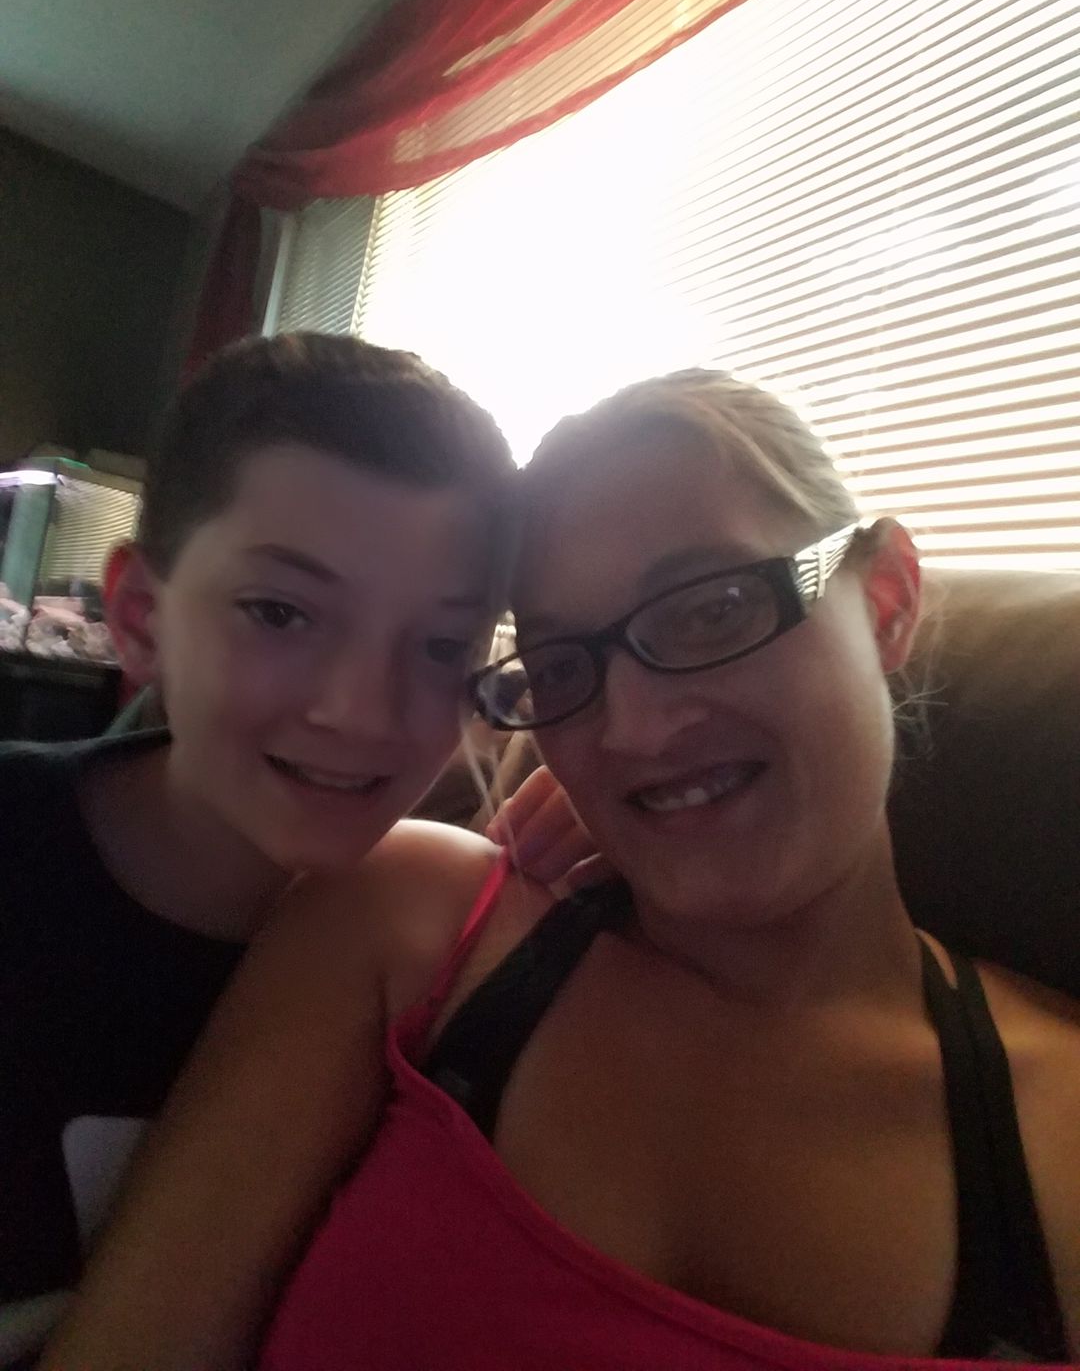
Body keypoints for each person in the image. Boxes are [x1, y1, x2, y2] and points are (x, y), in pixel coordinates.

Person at [40, 369, 1080, 1369]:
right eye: (562, 664)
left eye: (713, 609)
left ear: (888, 599)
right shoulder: (415, 923)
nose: (633, 731)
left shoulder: (1059, 1124)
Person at [0, 332, 589, 1368]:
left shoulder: (451, 956)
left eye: (441, 645)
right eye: (280, 613)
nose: (361, 711)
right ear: (141, 619)